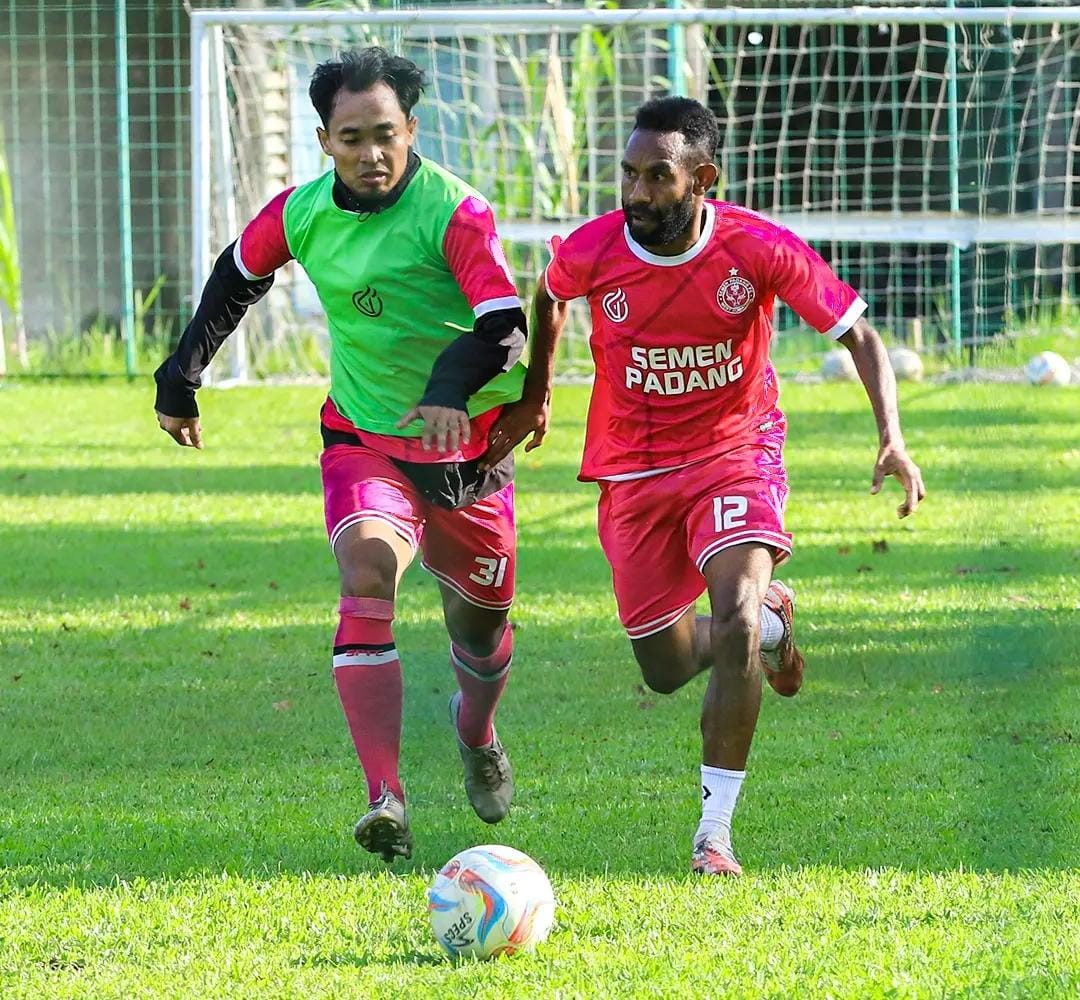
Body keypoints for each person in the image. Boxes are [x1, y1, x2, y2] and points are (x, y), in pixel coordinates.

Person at [483, 96, 926, 876]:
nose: (637, 191)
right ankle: (771, 629)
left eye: (657, 176)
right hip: (633, 469)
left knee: (733, 615)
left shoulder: (756, 247)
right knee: (663, 668)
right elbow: (550, 295)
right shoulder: (594, 249)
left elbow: (857, 332)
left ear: (702, 179)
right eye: (629, 173)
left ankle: (713, 834)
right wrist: (537, 394)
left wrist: (891, 435)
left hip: (736, 452)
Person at [154, 47, 531, 863]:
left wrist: (447, 391)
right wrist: (181, 374)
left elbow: (505, 327)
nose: (371, 154)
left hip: (466, 451)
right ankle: (384, 795)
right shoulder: (301, 212)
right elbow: (237, 274)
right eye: (351, 138)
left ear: (412, 130)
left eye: (385, 134)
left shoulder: (456, 213)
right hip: (364, 437)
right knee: (366, 571)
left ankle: (477, 732)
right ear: (324, 140)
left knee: (480, 630)